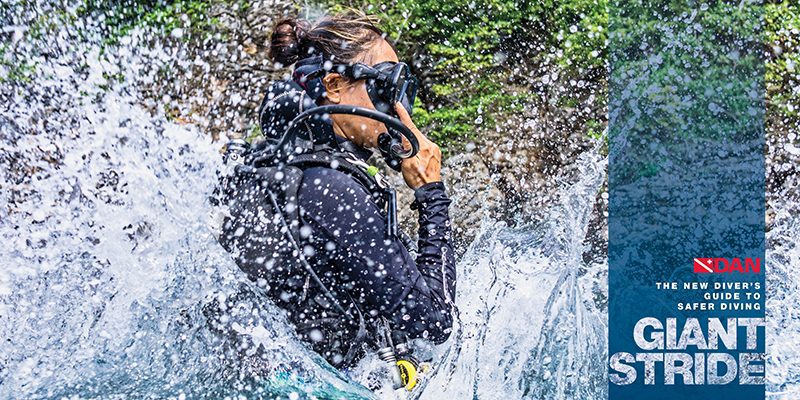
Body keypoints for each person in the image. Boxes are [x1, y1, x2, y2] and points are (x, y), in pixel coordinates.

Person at [219, 11, 456, 371]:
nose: (399, 108)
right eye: (386, 87)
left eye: (401, 92)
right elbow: (434, 323)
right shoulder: (331, 189)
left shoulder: (295, 168)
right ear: (334, 86)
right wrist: (431, 194)